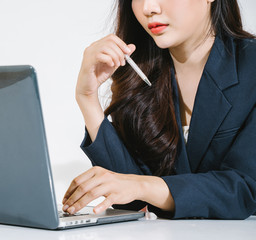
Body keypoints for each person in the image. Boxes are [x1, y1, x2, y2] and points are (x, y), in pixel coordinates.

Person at [62, 0, 256, 219]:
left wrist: (142, 186)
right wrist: (87, 98)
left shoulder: (251, 64)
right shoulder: (140, 73)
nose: (148, 8)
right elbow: (131, 197)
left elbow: (245, 189)